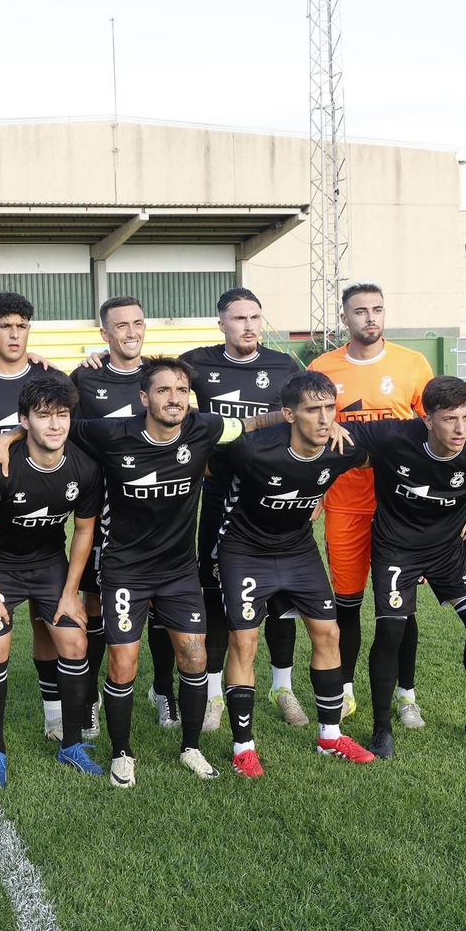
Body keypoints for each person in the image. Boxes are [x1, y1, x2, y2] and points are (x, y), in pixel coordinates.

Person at [0, 358, 284, 788]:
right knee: (123, 662)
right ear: (144, 398)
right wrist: (6, 437)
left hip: (179, 571)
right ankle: (122, 752)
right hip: (125, 570)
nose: (174, 398)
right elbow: (51, 426)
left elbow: (252, 424)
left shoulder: (204, 428)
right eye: (163, 390)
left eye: (182, 390)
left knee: (195, 656)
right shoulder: (111, 433)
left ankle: (191, 748)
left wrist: (294, 415)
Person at [211, 372, 375, 776]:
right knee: (244, 642)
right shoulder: (253, 450)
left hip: (299, 551)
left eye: (330, 408)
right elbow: (207, 467)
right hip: (245, 551)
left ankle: (330, 736)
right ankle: (243, 747)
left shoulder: (341, 448)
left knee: (328, 633)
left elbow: (380, 453)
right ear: (289, 414)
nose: (325, 419)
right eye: (313, 410)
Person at [346, 375, 466, 758]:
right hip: (396, 549)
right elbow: (336, 431)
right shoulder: (394, 436)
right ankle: (382, 729)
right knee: (391, 631)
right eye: (449, 419)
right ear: (427, 419)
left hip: (447, 548)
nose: (460, 428)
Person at [0, 375, 104, 785]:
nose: (55, 424)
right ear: (24, 421)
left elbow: (84, 531)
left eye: (62, 415)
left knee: (75, 641)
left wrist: (70, 593)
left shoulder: (84, 467)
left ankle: (71, 745)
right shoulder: (0, 468)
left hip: (49, 565)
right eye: (44, 416)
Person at [308, 282, 434, 727]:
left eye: (377, 309)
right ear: (345, 318)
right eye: (360, 311)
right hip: (344, 504)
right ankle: (344, 691)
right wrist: (315, 490)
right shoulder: (323, 368)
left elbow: (432, 432)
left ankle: (406, 695)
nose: (370, 318)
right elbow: (309, 433)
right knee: (346, 603)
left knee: (400, 606)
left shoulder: (412, 364)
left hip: (399, 507)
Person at [181, 287, 303, 732]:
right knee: (215, 591)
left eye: (254, 317)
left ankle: (282, 688)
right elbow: (149, 377)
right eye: (238, 318)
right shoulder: (197, 363)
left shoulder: (284, 366)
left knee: (281, 595)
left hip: (272, 494)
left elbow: (308, 420)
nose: (248, 326)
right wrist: (100, 356)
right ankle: (214, 694)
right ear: (222, 324)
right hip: (218, 493)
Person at [0, 292, 71, 752]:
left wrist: (10, 436)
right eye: (5, 326)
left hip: (42, 528)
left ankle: (55, 716)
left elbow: (64, 428)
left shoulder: (51, 378)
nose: (15, 334)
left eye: (22, 325)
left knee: (47, 624)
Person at [66, 295, 153, 738]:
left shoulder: (160, 375)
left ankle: (164, 691)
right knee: (96, 601)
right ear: (104, 334)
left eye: (137, 323)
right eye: (121, 326)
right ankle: (90, 698)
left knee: (161, 599)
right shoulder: (84, 377)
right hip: (101, 509)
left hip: (157, 508)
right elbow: (58, 423)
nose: (131, 332)